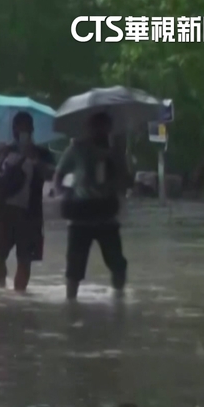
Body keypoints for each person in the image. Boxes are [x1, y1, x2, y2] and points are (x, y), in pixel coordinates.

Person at [53, 112, 129, 300]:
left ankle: (118, 299)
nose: (101, 131)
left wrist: (117, 164)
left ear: (110, 129)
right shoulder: (77, 149)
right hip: (80, 214)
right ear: (89, 129)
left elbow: (126, 181)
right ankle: (71, 303)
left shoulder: (116, 152)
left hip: (107, 215)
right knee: (74, 268)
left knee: (118, 264)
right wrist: (62, 193)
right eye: (97, 127)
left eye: (105, 127)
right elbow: (58, 174)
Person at [0, 112, 56, 291]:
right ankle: (1, 290)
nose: (21, 131)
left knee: (25, 259)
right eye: (18, 127)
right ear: (13, 130)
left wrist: (34, 160)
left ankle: (19, 297)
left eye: (26, 128)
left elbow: (51, 175)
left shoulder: (43, 153)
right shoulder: (4, 151)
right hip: (4, 211)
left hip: (30, 214)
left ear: (32, 130)